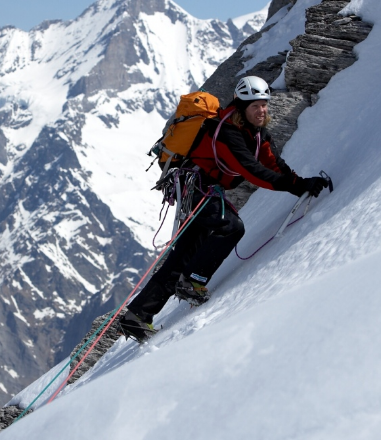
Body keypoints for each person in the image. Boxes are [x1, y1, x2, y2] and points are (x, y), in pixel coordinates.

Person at [119, 75, 329, 341]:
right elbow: (253, 171)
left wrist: (300, 182)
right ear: (241, 107)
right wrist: (296, 187)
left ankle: (136, 316)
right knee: (230, 226)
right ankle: (191, 282)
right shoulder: (227, 132)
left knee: (187, 250)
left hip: (200, 185)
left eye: (264, 104)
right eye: (255, 106)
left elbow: (274, 164)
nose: (261, 110)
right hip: (195, 184)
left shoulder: (256, 132)